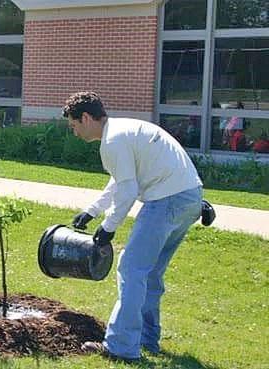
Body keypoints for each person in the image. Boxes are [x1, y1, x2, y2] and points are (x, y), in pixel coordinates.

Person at [63, 92, 203, 363]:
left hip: (166, 200)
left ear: (87, 118)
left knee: (131, 269)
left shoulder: (113, 140)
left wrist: (108, 228)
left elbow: (128, 190)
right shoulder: (122, 129)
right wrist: (92, 211)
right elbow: (120, 180)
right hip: (190, 198)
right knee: (149, 274)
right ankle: (147, 339)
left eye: (74, 125)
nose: (74, 132)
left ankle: (121, 347)